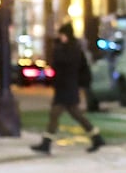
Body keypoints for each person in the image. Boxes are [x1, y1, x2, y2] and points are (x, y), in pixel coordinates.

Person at [30, 23, 104, 154]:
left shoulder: (70, 49)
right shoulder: (72, 48)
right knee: (75, 115)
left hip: (66, 87)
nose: (60, 37)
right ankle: (96, 137)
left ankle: (46, 144)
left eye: (62, 34)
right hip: (67, 87)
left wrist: (57, 49)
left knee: (55, 114)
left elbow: (63, 64)